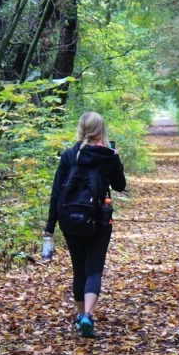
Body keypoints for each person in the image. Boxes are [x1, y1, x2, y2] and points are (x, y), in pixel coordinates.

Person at [43, 112, 126, 338]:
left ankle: (80, 318)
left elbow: (57, 192)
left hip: (70, 220)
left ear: (80, 129)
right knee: (94, 269)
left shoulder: (69, 155)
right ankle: (89, 314)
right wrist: (116, 159)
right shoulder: (107, 155)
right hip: (99, 220)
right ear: (101, 130)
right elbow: (120, 185)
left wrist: (50, 225)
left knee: (78, 269)